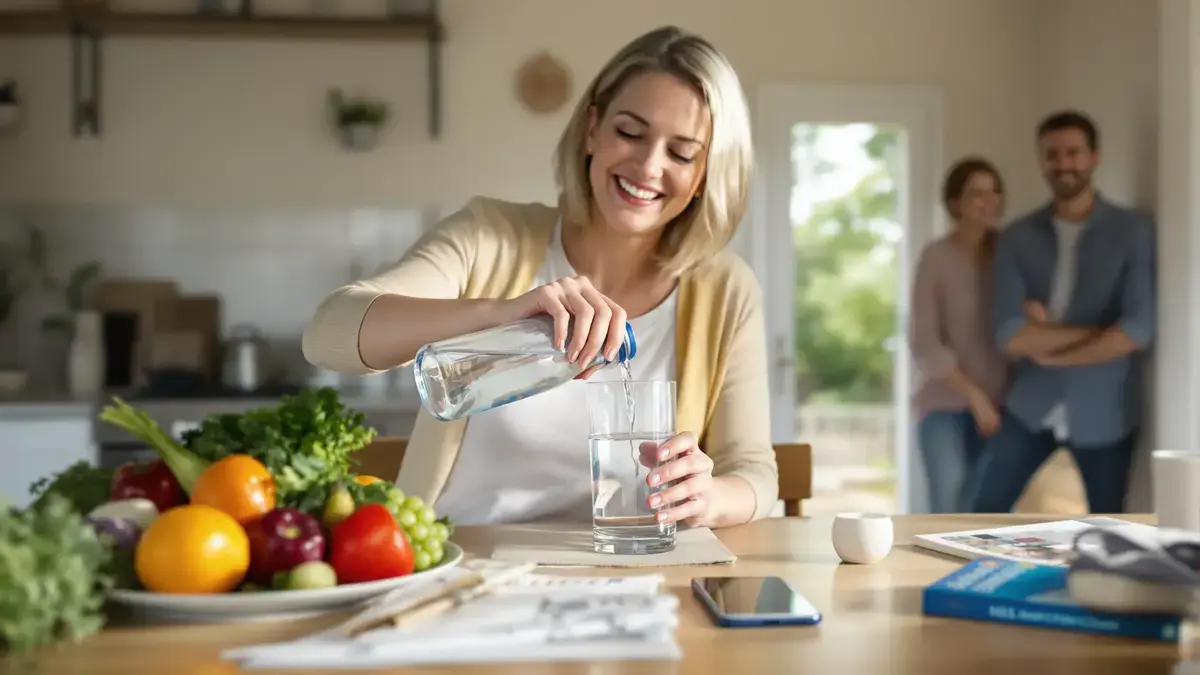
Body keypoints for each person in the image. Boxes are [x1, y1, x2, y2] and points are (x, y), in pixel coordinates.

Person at [301, 26, 778, 529]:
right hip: (464, 567)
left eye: (682, 153)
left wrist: (711, 497)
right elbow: (327, 335)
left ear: (704, 174)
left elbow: (753, 471)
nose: (647, 165)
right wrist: (496, 314)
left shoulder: (726, 289)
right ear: (592, 128)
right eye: (630, 132)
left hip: (631, 576)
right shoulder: (490, 235)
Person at [962, 110, 1156, 514]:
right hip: (1030, 404)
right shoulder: (1016, 237)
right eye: (1052, 154)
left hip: (1106, 411)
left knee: (1110, 531)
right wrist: (1103, 331)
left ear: (1094, 157)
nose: (1063, 163)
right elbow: (1009, 334)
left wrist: (1050, 343)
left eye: (1073, 153)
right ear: (1041, 160)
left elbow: (1138, 329)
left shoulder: (1132, 231)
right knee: (972, 512)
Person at [909, 157, 1010, 513]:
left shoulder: (1011, 253)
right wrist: (975, 397)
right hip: (944, 405)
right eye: (977, 194)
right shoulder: (935, 257)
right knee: (949, 506)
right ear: (955, 203)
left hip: (1003, 407)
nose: (989, 201)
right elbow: (924, 343)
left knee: (988, 511)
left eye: (995, 192)